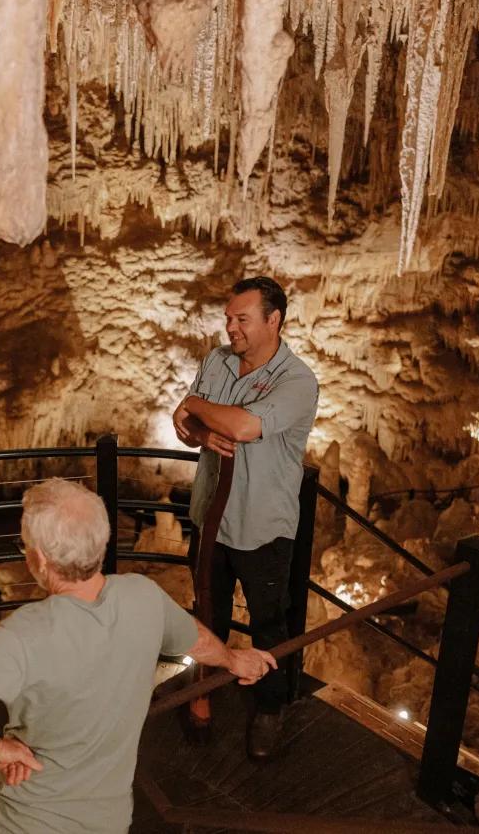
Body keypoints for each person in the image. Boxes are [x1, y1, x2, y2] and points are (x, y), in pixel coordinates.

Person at [0, 479, 276, 834]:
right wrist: (233, 659)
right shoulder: (144, 598)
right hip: (107, 823)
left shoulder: (24, 635)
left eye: (25, 545)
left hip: (23, 822)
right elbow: (195, 638)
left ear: (40, 560)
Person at [171, 275, 319, 759]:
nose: (230, 327)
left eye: (242, 319)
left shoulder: (296, 381)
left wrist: (194, 406)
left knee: (268, 624)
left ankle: (271, 708)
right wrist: (195, 427)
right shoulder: (217, 360)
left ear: (273, 320)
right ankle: (203, 694)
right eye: (229, 318)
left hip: (262, 527)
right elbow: (187, 431)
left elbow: (241, 425)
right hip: (211, 515)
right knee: (207, 610)